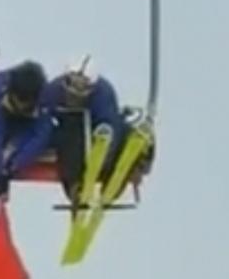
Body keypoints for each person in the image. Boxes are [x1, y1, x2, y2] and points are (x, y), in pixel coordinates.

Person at [45, 57, 154, 204]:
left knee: (119, 133)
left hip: (95, 132)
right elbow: (41, 116)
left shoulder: (104, 94)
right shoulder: (53, 92)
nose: (76, 92)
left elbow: (111, 123)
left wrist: (105, 147)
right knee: (69, 132)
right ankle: (75, 186)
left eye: (83, 86)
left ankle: (114, 181)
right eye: (73, 84)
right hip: (71, 135)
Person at [0, 61, 54, 200]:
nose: (21, 106)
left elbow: (40, 137)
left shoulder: (45, 97)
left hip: (26, 126)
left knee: (19, 146)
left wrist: (14, 166)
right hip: (1, 119)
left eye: (26, 103)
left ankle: (8, 164)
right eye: (19, 100)